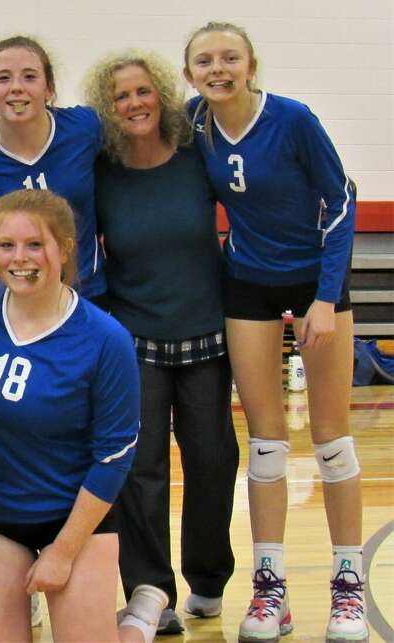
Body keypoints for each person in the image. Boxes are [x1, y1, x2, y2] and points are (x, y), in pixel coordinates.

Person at [183, 21, 365, 643]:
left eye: (229, 57)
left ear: (251, 64)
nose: (218, 68)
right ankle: (271, 592)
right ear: (190, 74)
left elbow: (342, 200)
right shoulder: (194, 123)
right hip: (248, 282)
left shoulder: (292, 119)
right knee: (265, 442)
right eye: (204, 60)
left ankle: (348, 588)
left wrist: (323, 297)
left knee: (331, 437)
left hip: (316, 280)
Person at [0, 189, 166, 643]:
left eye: (35, 245)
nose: (20, 258)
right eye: (6, 245)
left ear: (65, 248)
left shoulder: (106, 339)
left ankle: (137, 625)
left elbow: (114, 456)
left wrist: (63, 552)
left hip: (75, 518)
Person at [84, 50, 237, 635]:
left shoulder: (198, 158)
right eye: (121, 96)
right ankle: (151, 591)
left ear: (161, 96)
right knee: (138, 470)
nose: (134, 103)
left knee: (212, 459)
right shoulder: (102, 169)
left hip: (207, 335)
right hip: (134, 339)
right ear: (109, 107)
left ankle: (208, 577)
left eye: (143, 91)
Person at [0, 36, 106, 300]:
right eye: (4, 78)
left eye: (30, 77)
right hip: (11, 300)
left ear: (49, 89)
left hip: (87, 297)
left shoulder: (86, 127)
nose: (16, 88)